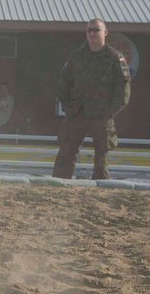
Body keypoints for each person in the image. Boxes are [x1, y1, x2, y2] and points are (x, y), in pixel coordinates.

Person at [52, 19, 131, 179]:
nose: (92, 34)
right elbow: (64, 82)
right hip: (77, 112)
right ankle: (59, 188)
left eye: (96, 30)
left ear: (105, 33)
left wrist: (111, 112)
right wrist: (67, 105)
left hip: (102, 114)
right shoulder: (77, 56)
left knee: (101, 157)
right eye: (89, 30)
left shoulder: (115, 58)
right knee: (66, 152)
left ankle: (101, 195)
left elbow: (123, 90)